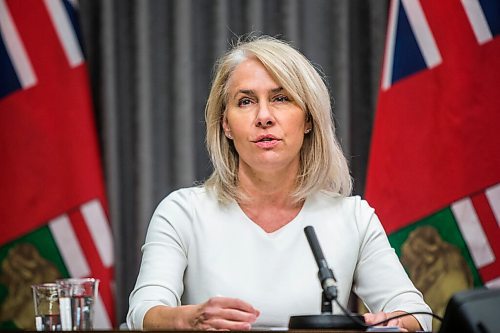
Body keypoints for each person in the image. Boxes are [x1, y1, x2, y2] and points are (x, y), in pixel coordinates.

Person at [126, 35, 432, 331]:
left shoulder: (352, 217)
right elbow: (143, 312)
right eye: (245, 101)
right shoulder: (183, 212)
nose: (263, 116)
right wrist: (190, 319)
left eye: (281, 98)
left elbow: (418, 314)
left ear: (309, 119)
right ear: (226, 125)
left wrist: (371, 325)